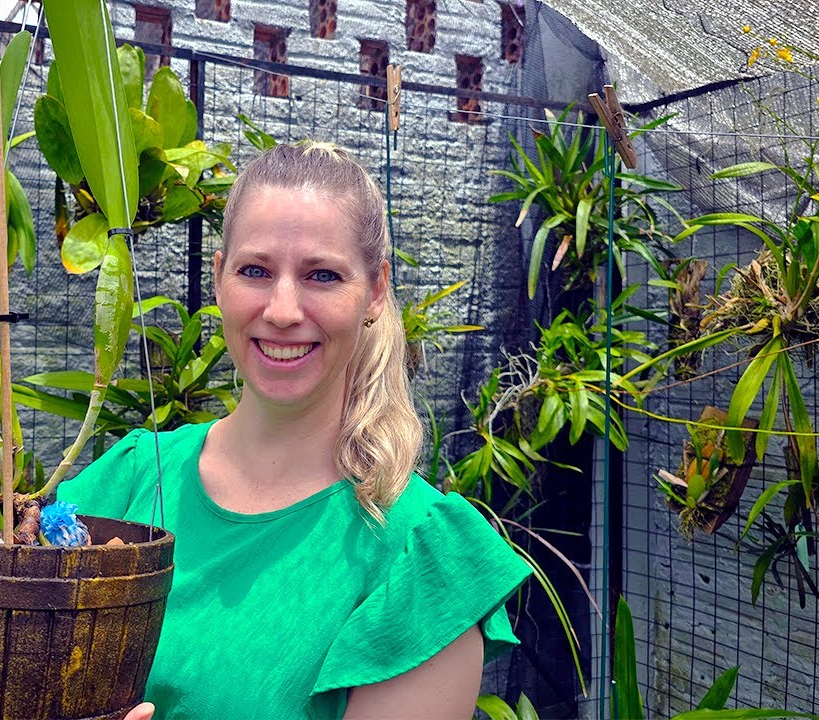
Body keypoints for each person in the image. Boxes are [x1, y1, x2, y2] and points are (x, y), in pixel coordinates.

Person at [58, 141, 531, 719]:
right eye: (255, 271)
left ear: (375, 291)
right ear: (219, 278)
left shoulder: (418, 560)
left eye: (322, 275)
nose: (282, 310)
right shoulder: (131, 478)